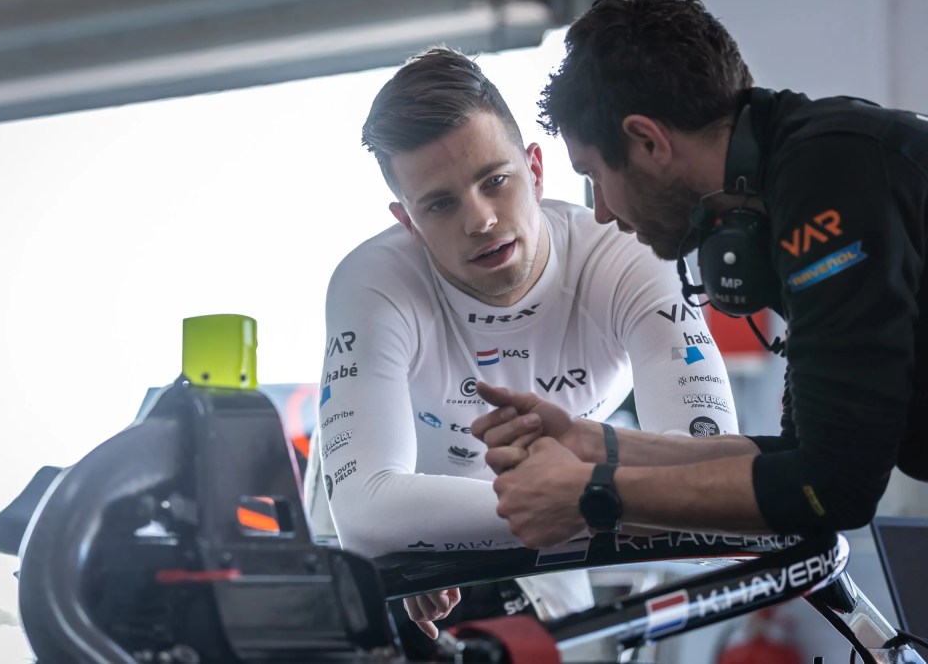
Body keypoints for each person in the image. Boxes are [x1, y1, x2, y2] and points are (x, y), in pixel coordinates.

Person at [302, 45, 738, 650]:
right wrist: (600, 496)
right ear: (408, 221)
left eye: (494, 181)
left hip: (516, 525)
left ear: (535, 168)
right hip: (390, 565)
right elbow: (369, 518)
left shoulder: (627, 258)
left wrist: (574, 498)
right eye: (440, 203)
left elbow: (711, 487)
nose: (479, 220)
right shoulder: (372, 280)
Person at [472, 0, 927, 548]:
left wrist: (594, 496)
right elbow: (803, 456)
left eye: (594, 175)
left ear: (647, 141)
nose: (603, 212)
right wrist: (596, 447)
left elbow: (833, 488)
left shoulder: (829, 182)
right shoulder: (807, 167)